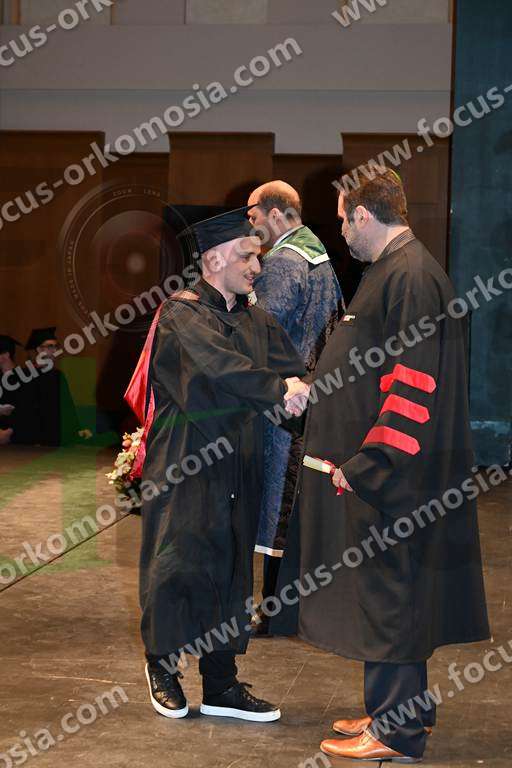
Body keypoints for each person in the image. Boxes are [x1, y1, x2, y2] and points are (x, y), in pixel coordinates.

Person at [285, 170, 490, 762]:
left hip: (394, 478)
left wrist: (371, 463)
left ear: (364, 215)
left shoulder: (411, 277)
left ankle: (395, 730)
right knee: (390, 593)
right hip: (390, 475)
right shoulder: (395, 271)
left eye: (343, 219)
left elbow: (414, 385)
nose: (341, 231)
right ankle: (399, 712)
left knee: (391, 596)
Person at [126, 206, 309, 722]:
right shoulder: (182, 316)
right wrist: (279, 390)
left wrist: (302, 396)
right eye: (248, 256)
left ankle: (221, 683)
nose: (257, 267)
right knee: (178, 565)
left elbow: (294, 373)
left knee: (231, 570)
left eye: (258, 256)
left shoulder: (257, 320)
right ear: (213, 259)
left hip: (239, 463)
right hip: (186, 463)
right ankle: (163, 666)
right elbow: (224, 371)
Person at [246, 181, 343, 635]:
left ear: (276, 213)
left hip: (283, 404)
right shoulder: (319, 254)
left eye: (253, 216)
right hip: (313, 395)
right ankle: (288, 609)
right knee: (293, 504)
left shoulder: (285, 260)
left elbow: (261, 331)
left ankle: (273, 613)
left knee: (275, 507)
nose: (250, 227)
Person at [0, 334, 22, 444]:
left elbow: (27, 411)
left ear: (6, 355)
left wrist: (9, 432)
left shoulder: (24, 378)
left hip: (17, 441)